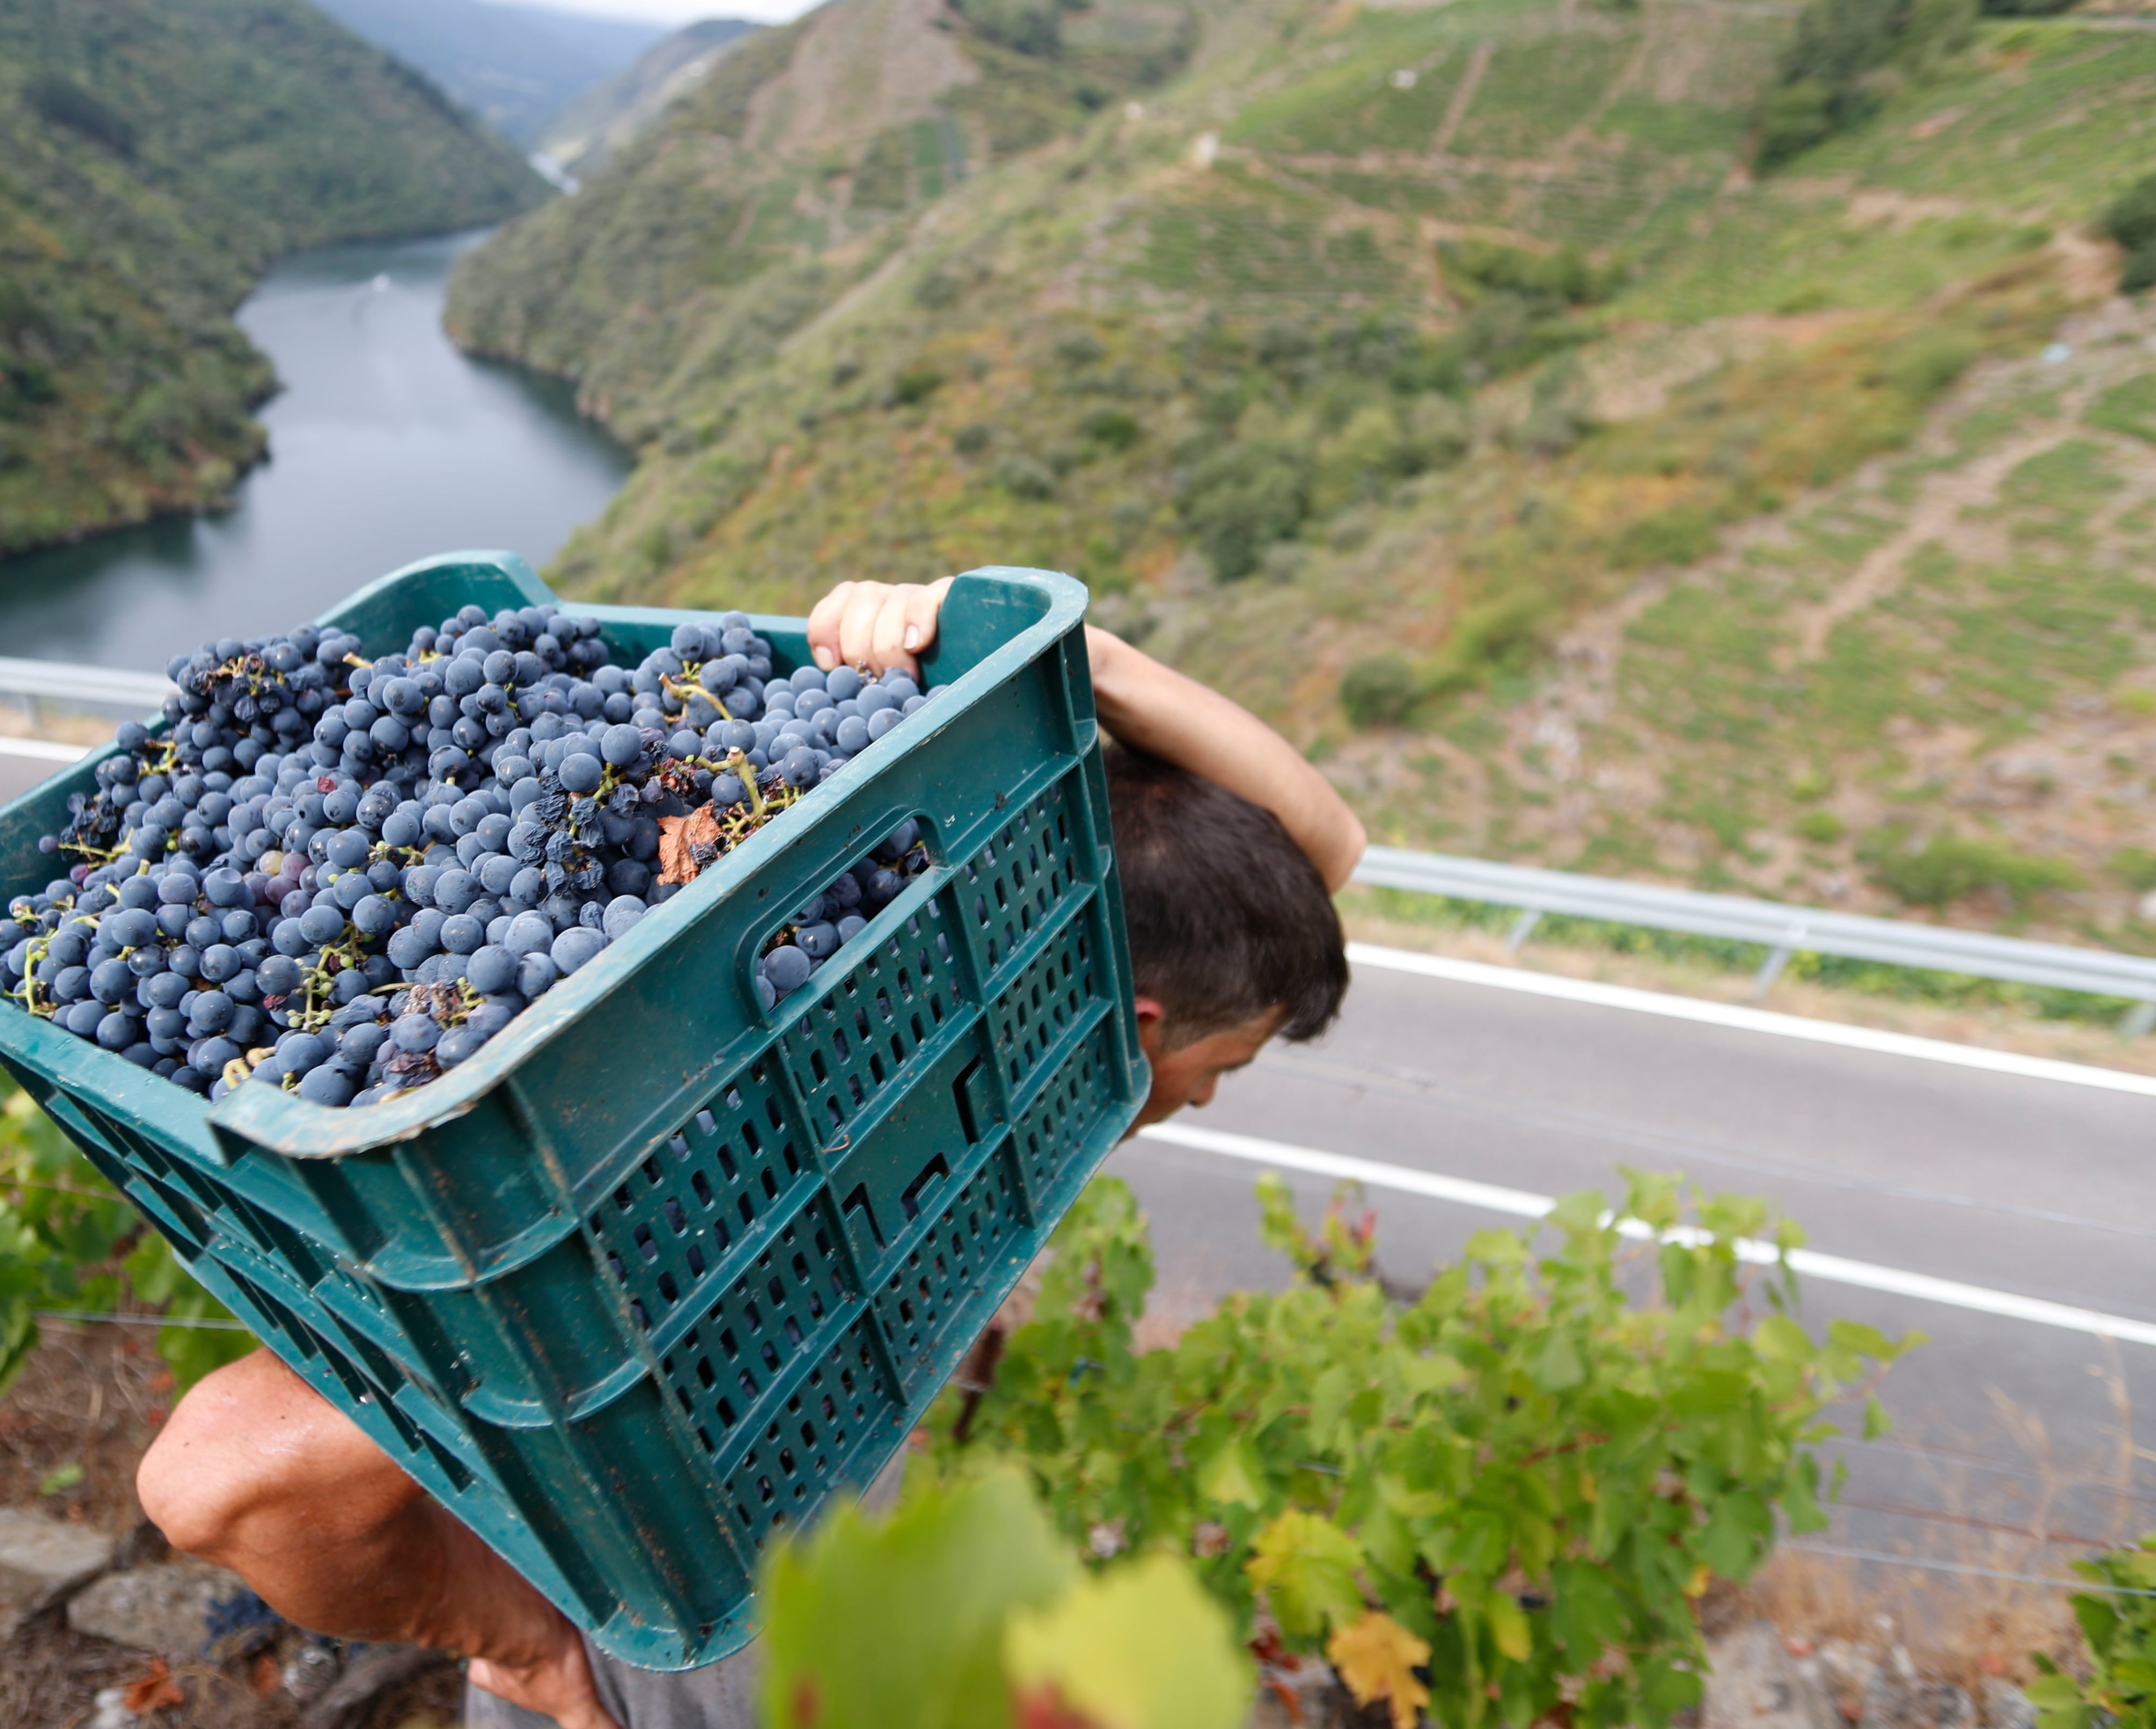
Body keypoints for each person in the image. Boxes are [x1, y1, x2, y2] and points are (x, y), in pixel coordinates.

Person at [135, 577, 1364, 1729]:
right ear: (1138, 1019)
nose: (1203, 1102)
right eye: (1224, 1071)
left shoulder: (980, 1048)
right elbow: (219, 1472)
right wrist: (520, 1645)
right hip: (675, 1675)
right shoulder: (759, 1138)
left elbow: (1327, 850)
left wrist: (1080, 660)